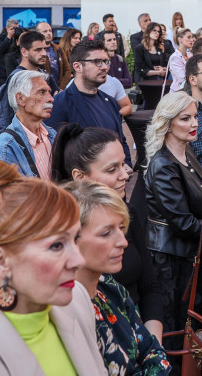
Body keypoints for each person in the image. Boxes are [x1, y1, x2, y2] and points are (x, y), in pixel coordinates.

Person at [0, 160, 106, 376]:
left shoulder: (77, 300)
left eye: (75, 239)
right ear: (1, 262)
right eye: (56, 246)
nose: (78, 260)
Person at [51, 125, 163, 339]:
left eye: (124, 164)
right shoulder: (60, 233)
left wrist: (152, 343)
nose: (125, 175)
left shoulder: (129, 214)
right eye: (112, 170)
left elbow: (149, 286)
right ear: (80, 177)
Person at [63, 180, 171, 375]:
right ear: (70, 240)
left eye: (121, 228)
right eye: (106, 233)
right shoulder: (64, 310)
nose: (122, 242)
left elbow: (153, 350)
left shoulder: (110, 287)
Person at [142, 92, 202, 332]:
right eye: (185, 119)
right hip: (171, 260)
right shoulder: (163, 165)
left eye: (194, 117)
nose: (194, 123)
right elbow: (183, 223)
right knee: (176, 326)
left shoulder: (186, 152)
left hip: (190, 254)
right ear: (168, 123)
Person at [49, 40, 131, 166]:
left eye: (106, 61)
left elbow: (121, 140)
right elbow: (55, 153)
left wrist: (126, 165)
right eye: (97, 62)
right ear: (77, 67)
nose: (104, 67)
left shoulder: (111, 102)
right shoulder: (60, 105)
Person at [0, 70, 56, 179]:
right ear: (20, 99)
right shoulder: (4, 148)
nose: (51, 99)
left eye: (49, 92)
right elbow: (9, 194)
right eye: (42, 92)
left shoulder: (52, 134)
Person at [0, 31, 50, 131]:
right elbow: (6, 116)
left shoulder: (42, 74)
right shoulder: (17, 79)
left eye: (45, 49)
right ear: (24, 52)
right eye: (38, 50)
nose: (44, 53)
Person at [165, 28, 195, 93]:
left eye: (192, 37)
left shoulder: (191, 55)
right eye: (189, 37)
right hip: (178, 92)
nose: (192, 40)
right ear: (180, 39)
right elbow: (182, 79)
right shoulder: (174, 57)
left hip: (191, 90)